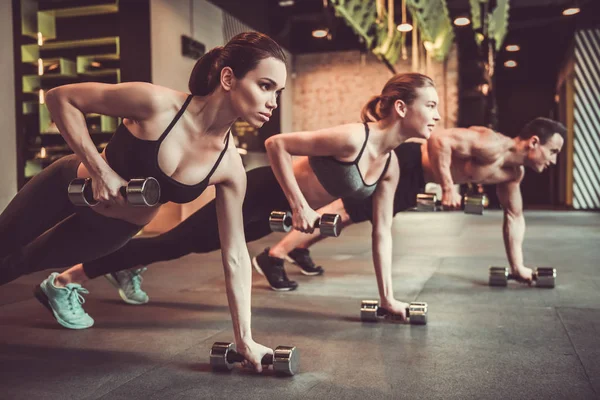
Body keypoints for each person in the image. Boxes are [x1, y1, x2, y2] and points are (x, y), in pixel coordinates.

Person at [50, 72, 441, 322]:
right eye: (431, 106)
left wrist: (389, 298)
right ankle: (66, 279)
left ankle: (123, 267)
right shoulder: (354, 137)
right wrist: (299, 204)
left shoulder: (389, 165)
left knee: (185, 246)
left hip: (277, 212)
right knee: (177, 243)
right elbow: (278, 143)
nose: (437, 116)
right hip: (257, 192)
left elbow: (383, 233)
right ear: (402, 107)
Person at [1, 32, 288, 372]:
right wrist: (99, 170)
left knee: (18, 264)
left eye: (277, 92)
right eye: (265, 86)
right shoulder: (156, 104)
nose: (273, 102)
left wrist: (245, 339)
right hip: (66, 185)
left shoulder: (229, 167)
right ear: (228, 78)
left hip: (111, 229)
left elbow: (236, 254)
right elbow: (60, 98)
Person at [262, 117, 566, 285]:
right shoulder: (491, 143)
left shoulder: (513, 174)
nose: (553, 160)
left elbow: (514, 217)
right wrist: (449, 187)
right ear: (534, 143)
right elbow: (438, 140)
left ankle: (299, 248)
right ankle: (275, 255)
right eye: (553, 152)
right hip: (407, 162)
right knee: (346, 209)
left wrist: (518, 266)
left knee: (353, 214)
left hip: (419, 178)